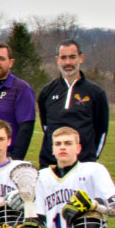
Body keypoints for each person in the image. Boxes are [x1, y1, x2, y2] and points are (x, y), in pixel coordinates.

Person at [38, 40, 108, 168]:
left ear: (80, 58)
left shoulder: (96, 93)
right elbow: (46, 127)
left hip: (83, 165)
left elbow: (101, 131)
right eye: (63, 58)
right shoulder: (47, 92)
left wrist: (91, 159)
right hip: (50, 165)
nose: (68, 62)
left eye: (72, 57)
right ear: (57, 59)